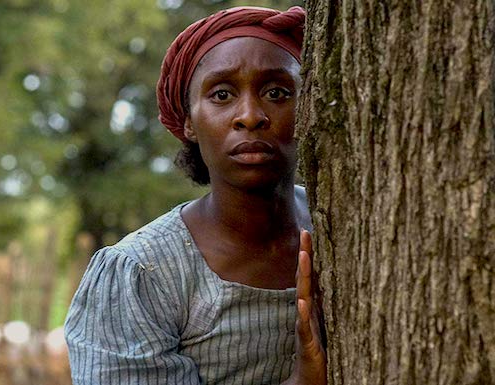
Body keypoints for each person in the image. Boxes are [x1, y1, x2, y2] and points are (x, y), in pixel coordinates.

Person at [64, 6, 326, 385]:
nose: (250, 116)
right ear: (188, 120)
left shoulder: (340, 228)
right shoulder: (141, 275)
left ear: (307, 106)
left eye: (277, 92)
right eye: (222, 94)